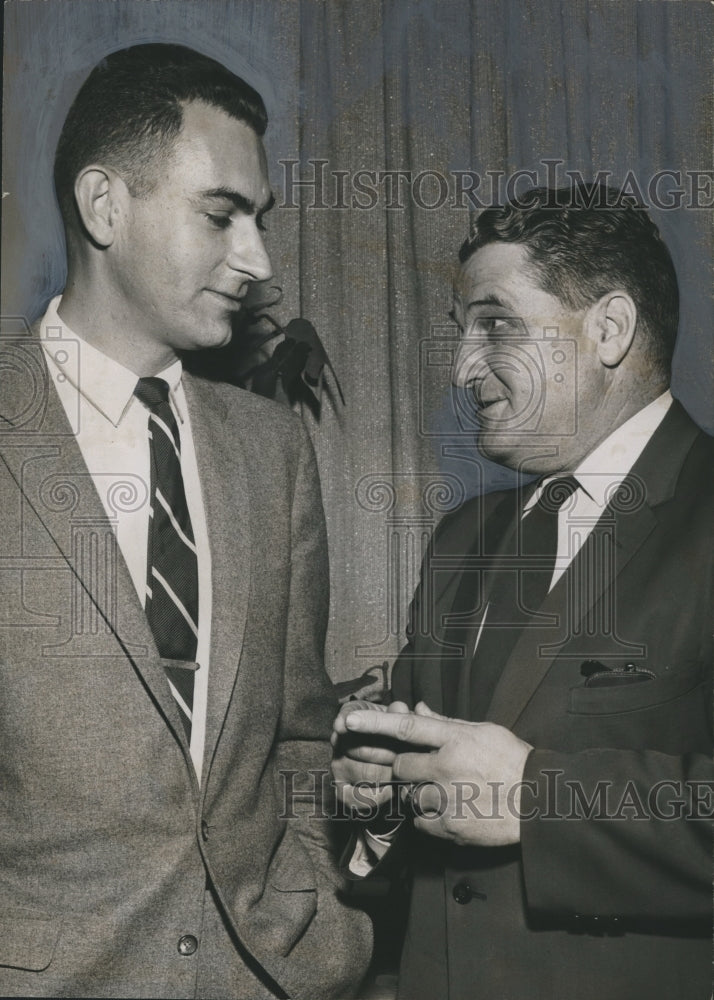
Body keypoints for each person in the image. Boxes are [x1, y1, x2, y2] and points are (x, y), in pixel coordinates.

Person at [0, 43, 371, 999]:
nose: (257, 261)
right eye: (222, 216)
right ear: (104, 206)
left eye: (260, 220)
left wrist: (309, 902)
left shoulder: (272, 448)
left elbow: (296, 728)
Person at [332, 184, 713, 1000]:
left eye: (495, 324)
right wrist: (374, 790)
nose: (466, 366)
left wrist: (536, 799)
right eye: (461, 332)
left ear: (608, 330)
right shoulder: (462, 540)